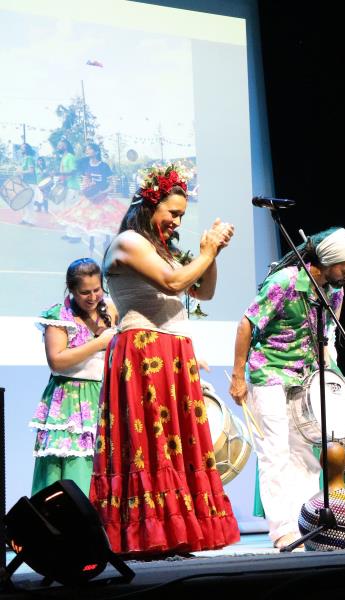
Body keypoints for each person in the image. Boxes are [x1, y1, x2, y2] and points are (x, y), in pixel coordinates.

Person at [92, 163, 240, 556]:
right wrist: (205, 251)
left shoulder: (162, 250)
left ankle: (176, 530)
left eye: (181, 216)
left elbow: (202, 292)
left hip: (172, 351)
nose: (176, 222)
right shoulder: (128, 242)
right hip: (144, 350)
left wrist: (215, 254)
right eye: (172, 213)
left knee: (176, 443)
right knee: (149, 444)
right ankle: (146, 532)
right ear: (148, 204)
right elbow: (174, 283)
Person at [229, 228, 345, 550]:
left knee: (306, 453)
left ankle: (305, 523)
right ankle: (282, 531)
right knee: (275, 451)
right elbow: (247, 324)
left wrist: (329, 375)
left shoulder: (333, 292)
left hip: (305, 377)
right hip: (269, 373)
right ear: (328, 261)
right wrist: (238, 376)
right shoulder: (285, 282)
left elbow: (326, 335)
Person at [30, 258, 118, 496]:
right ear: (71, 289)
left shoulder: (110, 309)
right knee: (66, 473)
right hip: (67, 400)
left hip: (100, 397)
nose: (92, 297)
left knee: (98, 471)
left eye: (97, 290)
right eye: (84, 292)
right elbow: (57, 361)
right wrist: (99, 343)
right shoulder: (59, 316)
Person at [57, 142, 123, 250]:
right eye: (86, 149)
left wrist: (104, 192)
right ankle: (90, 248)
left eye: (89, 149)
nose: (86, 151)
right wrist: (83, 189)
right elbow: (84, 181)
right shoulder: (86, 166)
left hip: (102, 198)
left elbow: (113, 183)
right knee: (84, 222)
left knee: (103, 224)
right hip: (89, 199)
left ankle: (106, 244)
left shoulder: (104, 166)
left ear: (96, 151)